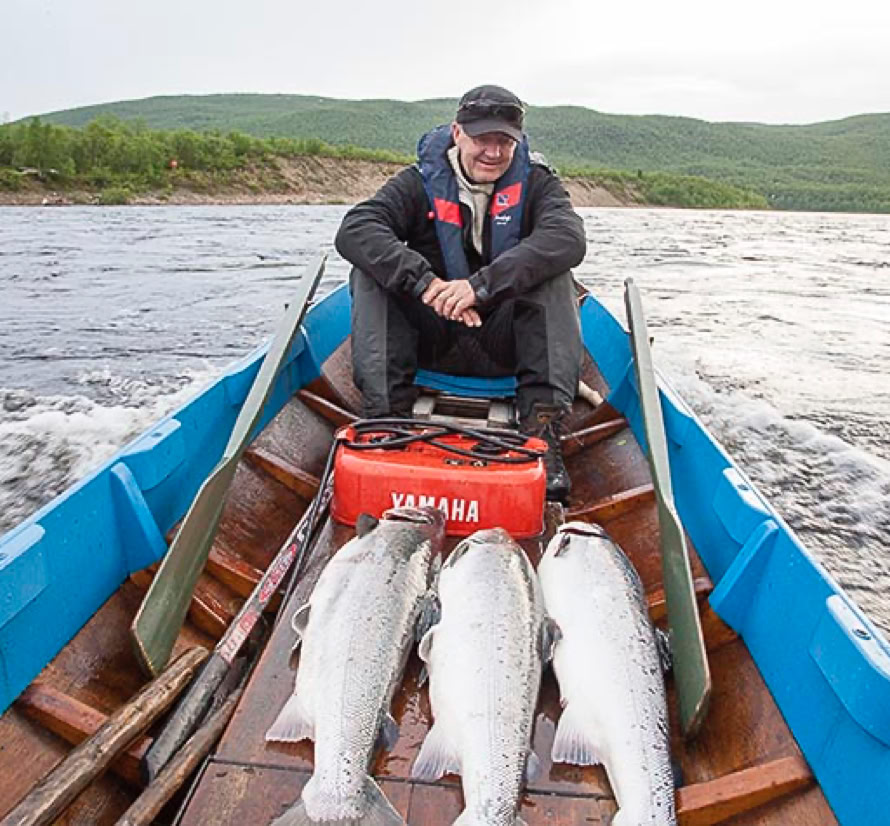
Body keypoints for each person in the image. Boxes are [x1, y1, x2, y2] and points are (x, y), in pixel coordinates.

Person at [334, 84, 586, 501]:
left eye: (504, 141)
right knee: (369, 271)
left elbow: (568, 238)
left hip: (504, 341)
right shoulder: (417, 184)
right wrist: (427, 285)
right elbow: (356, 228)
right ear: (456, 133)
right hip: (432, 339)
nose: (493, 151)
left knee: (556, 275)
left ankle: (542, 434)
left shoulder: (538, 185)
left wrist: (479, 287)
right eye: (481, 138)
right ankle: (384, 421)